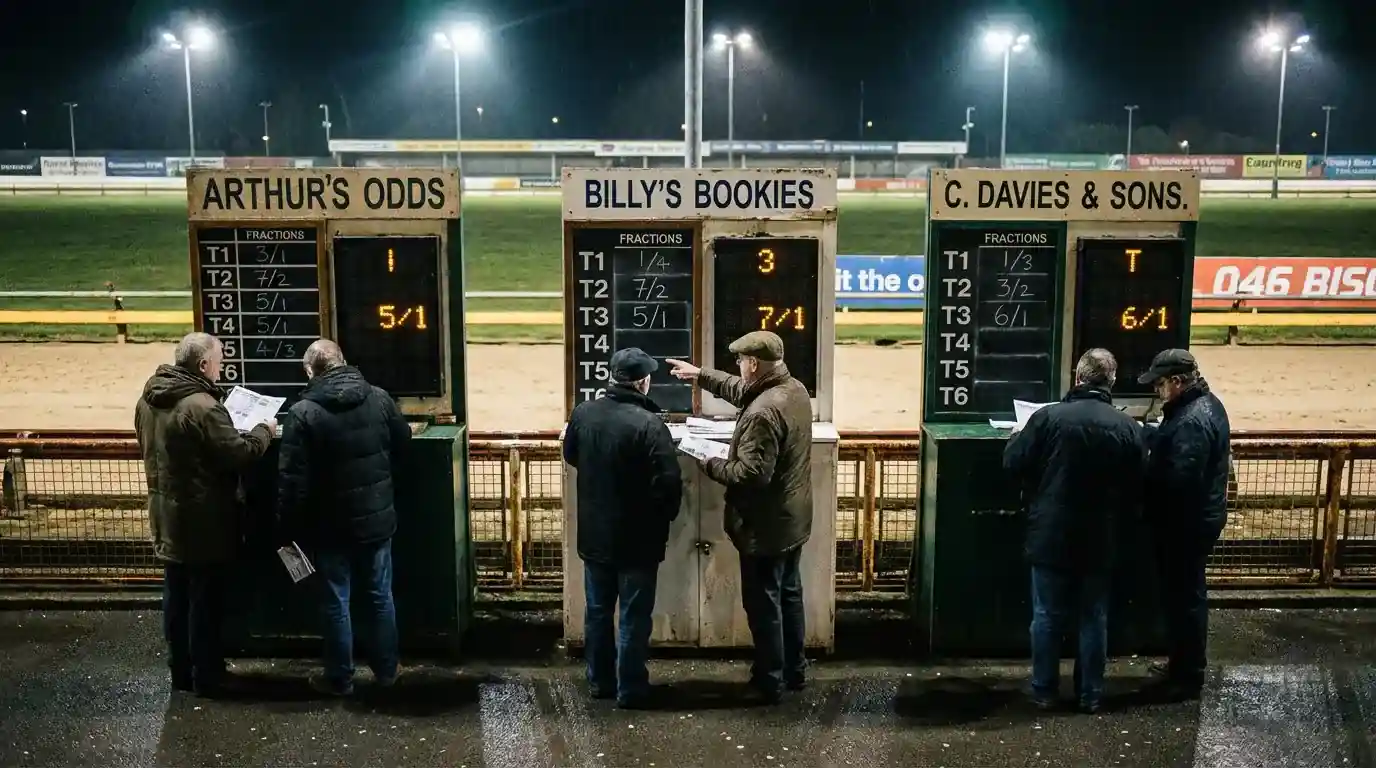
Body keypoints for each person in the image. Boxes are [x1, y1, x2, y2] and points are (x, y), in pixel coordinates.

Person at [667, 331, 813, 703]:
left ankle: (769, 681)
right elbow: (741, 390)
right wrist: (700, 375)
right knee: (789, 595)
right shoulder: (793, 389)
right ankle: (794, 670)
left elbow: (749, 475)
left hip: (764, 527)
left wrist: (710, 462)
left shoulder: (763, 413)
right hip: (792, 519)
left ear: (753, 364)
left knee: (764, 605)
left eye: (741, 362)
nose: (738, 368)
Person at [1003, 349, 1147, 713]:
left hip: (1052, 535)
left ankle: (1043, 691)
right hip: (1101, 537)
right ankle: (1091, 694)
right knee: (1093, 618)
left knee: (1048, 617)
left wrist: (1019, 436)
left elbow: (1013, 462)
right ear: (1111, 382)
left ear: (1077, 377)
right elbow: (1139, 483)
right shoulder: (1128, 427)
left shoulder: (1047, 417)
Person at [134, 331, 275, 697]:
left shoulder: (147, 401)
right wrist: (264, 430)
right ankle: (208, 674)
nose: (221, 367)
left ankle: (180, 671)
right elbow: (239, 453)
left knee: (176, 595)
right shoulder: (203, 407)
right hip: (204, 520)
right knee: (205, 602)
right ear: (203, 365)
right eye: (219, 361)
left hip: (164, 514)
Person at [277, 339, 412, 696]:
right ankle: (387, 671)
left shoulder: (302, 412)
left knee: (337, 601)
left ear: (310, 371)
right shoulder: (380, 397)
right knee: (380, 596)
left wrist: (287, 529)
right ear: (343, 361)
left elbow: (293, 483)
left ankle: (340, 678)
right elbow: (404, 442)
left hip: (330, 526)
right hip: (377, 519)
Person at [562, 348, 682, 708]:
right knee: (633, 616)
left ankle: (599, 682)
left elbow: (571, 454)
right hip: (638, 541)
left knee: (598, 611)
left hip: (595, 535)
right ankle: (630, 688)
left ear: (611, 377)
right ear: (643, 382)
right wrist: (665, 519)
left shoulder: (584, 413)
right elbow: (669, 484)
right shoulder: (650, 424)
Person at [1137, 348, 1231, 698]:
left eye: (1160, 383)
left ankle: (1187, 674)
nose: (1157, 390)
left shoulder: (1192, 420)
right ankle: (1182, 664)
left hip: (1185, 525)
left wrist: (1147, 476)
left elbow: (1179, 481)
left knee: (1184, 599)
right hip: (1198, 518)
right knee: (1185, 596)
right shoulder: (1204, 405)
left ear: (1177, 381)